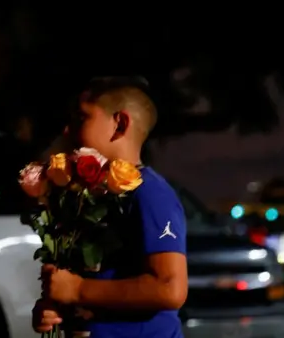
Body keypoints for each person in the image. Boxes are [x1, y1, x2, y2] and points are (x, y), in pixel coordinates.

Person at [33, 76, 188, 337]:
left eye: (82, 118)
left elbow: (170, 288)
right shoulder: (90, 196)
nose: (68, 132)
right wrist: (57, 308)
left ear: (120, 124)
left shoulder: (149, 192)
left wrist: (79, 290)